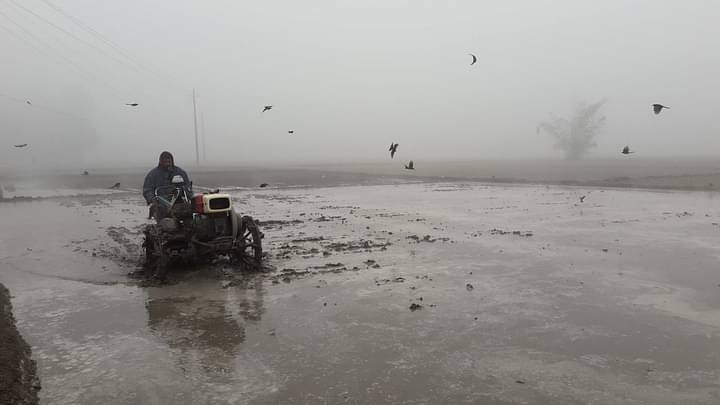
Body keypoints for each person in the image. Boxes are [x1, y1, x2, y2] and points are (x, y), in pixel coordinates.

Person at [142, 151, 191, 218]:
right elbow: (147, 189)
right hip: (160, 203)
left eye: (169, 160)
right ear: (160, 161)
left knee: (190, 211)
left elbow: (188, 187)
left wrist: (183, 192)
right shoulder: (153, 174)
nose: (167, 162)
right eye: (165, 160)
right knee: (163, 217)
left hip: (178, 201)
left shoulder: (180, 172)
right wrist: (152, 199)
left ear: (172, 160)